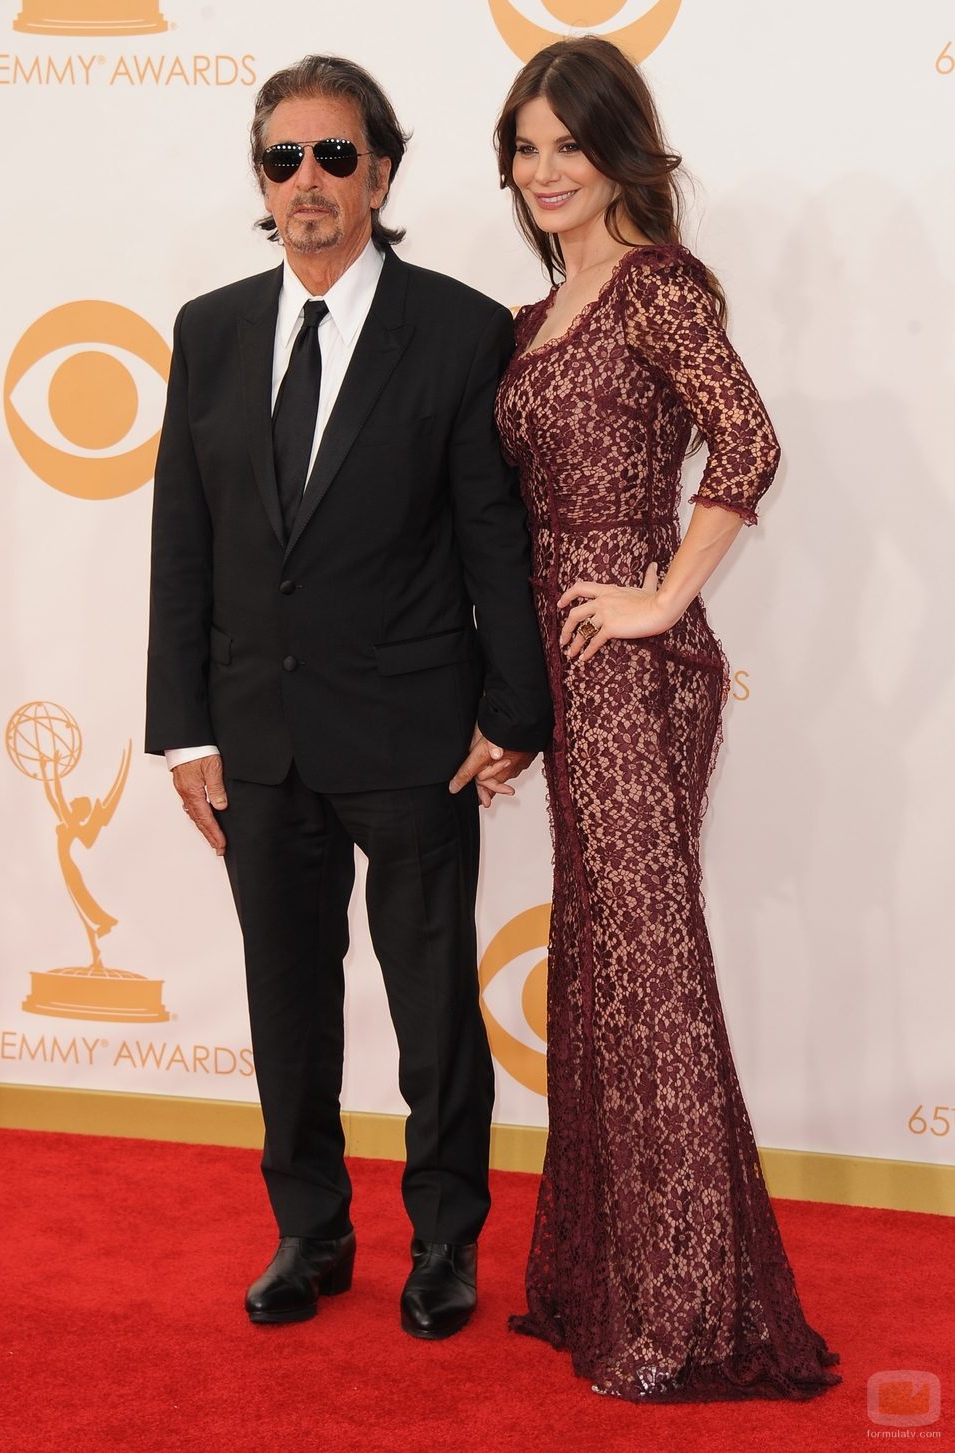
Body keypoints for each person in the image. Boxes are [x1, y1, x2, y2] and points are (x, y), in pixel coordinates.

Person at [146, 54, 551, 1340]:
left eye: (335, 156)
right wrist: (185, 728)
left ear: (381, 170)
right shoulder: (209, 329)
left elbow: (495, 537)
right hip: (255, 737)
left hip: (415, 731)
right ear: (260, 181)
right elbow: (183, 542)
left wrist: (511, 708)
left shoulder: (459, 326)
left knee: (431, 1001)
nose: (308, 182)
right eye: (283, 160)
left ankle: (444, 1244)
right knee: (287, 999)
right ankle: (310, 1233)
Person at [493, 36, 840, 1401]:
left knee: (649, 981)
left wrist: (659, 595)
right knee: (598, 974)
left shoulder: (660, 289)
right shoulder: (538, 317)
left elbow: (748, 443)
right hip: (564, 669)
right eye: (523, 150)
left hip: (634, 675)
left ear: (619, 149)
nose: (543, 173)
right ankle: (603, 1282)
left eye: (567, 145)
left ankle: (694, 1310)